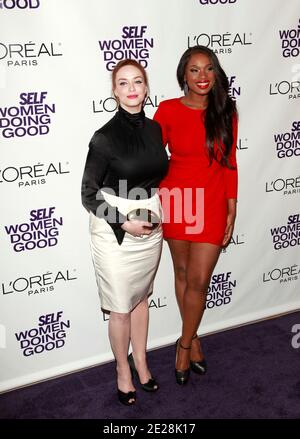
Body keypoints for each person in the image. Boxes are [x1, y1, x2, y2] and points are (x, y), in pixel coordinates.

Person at [81, 59, 169, 404]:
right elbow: (88, 194)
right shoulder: (103, 138)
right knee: (120, 307)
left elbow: (155, 178)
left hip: (150, 220)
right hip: (114, 226)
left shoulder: (155, 130)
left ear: (146, 88)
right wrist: (124, 221)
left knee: (141, 298)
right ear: (114, 91)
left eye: (138, 82)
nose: (132, 89)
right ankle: (122, 370)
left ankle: (142, 362)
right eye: (123, 83)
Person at [154, 45, 238, 385]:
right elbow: (151, 157)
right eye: (194, 70)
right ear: (183, 75)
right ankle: (195, 339)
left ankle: (184, 345)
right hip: (177, 199)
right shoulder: (168, 110)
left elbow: (230, 161)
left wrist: (232, 206)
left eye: (208, 69)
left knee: (200, 281)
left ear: (216, 73)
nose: (202, 76)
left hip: (214, 201)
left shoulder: (226, 111)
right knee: (184, 273)